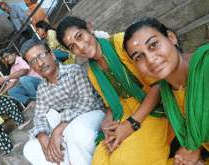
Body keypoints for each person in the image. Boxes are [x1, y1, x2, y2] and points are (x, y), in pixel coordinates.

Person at [56, 16, 174, 165]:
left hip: (153, 108)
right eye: (72, 46)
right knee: (100, 159)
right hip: (124, 114)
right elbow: (111, 105)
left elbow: (157, 84)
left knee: (124, 160)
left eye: (80, 36)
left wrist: (131, 124)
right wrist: (106, 124)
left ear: (89, 29)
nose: (81, 47)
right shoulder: (93, 72)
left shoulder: (121, 43)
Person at [123, 17, 209, 165]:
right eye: (139, 57)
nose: (150, 59)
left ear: (171, 37)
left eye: (153, 44)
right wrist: (194, 148)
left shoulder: (206, 67)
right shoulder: (168, 92)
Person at [20, 39, 106, 165]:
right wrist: (42, 136)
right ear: (32, 67)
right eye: (33, 61)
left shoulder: (74, 71)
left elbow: (87, 103)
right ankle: (65, 160)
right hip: (66, 127)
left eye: (42, 55)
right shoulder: (42, 89)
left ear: (52, 54)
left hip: (93, 114)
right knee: (29, 148)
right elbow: (39, 117)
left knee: (76, 131)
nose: (40, 63)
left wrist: (58, 129)